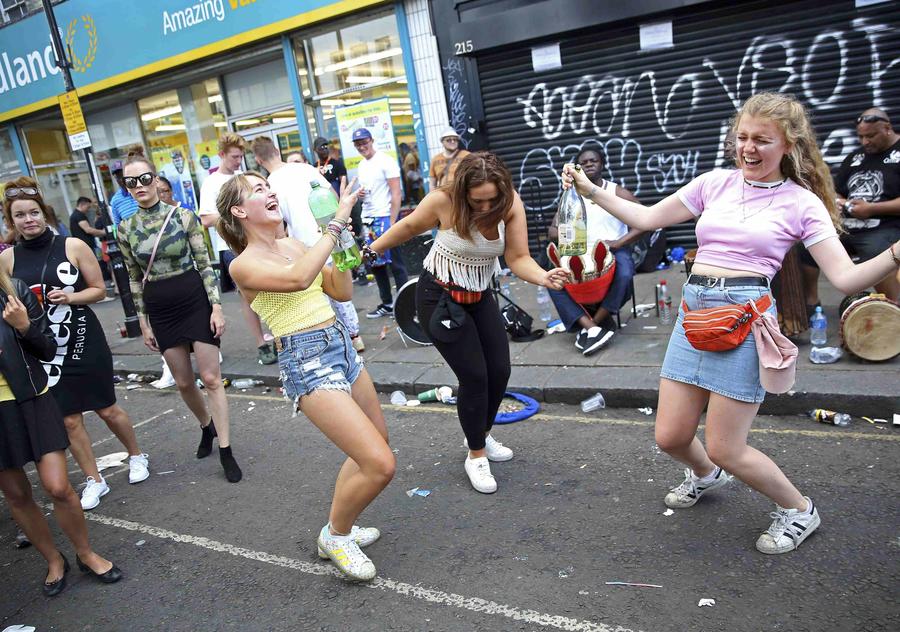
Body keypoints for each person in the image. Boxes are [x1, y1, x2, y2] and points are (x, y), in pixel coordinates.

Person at [562, 92, 900, 554]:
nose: (748, 148)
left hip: (745, 321)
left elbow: (846, 277)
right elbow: (644, 217)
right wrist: (591, 190)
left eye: (762, 139)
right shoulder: (714, 184)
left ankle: (800, 510)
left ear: (790, 145)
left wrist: (896, 252)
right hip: (694, 314)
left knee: (726, 445)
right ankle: (705, 475)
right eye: (742, 137)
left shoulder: (802, 203)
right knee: (671, 436)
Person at [217, 171, 393, 581]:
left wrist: (343, 242)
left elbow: (341, 290)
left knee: (374, 446)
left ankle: (337, 529)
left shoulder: (293, 243)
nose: (270, 191)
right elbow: (297, 280)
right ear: (239, 210)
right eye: (258, 189)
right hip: (306, 358)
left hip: (340, 343)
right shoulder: (243, 265)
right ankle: (337, 534)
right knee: (380, 464)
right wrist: (333, 226)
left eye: (268, 185)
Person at [369, 152, 568, 494]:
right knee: (475, 376)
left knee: (500, 371)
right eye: (478, 200)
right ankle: (475, 454)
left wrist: (544, 277)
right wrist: (371, 250)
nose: (486, 206)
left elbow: (518, 257)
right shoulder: (442, 201)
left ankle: (482, 434)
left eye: (492, 198)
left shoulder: (508, 204)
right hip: (439, 298)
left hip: (478, 294)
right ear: (463, 192)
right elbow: (408, 226)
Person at [1, 178, 149, 510]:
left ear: (45, 214)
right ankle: (95, 479)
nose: (29, 220)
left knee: (107, 408)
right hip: (43, 347)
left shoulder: (72, 246)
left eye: (34, 212)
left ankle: (137, 455)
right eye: (21, 215)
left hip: (83, 337)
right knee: (69, 419)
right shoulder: (7, 260)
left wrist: (70, 296)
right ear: (12, 222)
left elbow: (99, 289)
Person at [116, 153, 242, 483]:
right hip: (159, 308)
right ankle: (206, 426)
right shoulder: (125, 228)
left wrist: (216, 307)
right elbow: (133, 277)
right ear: (126, 187)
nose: (140, 186)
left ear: (155, 179)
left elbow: (205, 265)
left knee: (211, 378)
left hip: (193, 299)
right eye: (131, 182)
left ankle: (227, 450)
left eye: (145, 178)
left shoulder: (184, 217)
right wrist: (142, 321)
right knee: (184, 382)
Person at [0, 263, 122, 596]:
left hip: (32, 398)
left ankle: (85, 553)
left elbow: (49, 348)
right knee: (16, 494)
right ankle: (54, 560)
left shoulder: (15, 290)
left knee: (58, 487)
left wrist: (24, 326)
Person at [251, 136, 365, 353]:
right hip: (331, 235)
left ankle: (332, 341)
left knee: (318, 297)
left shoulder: (270, 184)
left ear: (257, 159)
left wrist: (282, 249)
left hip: (302, 246)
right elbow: (332, 197)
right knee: (341, 290)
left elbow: (277, 225)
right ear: (277, 150)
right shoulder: (305, 169)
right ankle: (354, 336)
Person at [547, 147, 644, 355]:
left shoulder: (616, 192)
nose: (589, 164)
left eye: (594, 160)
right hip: (579, 252)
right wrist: (569, 234)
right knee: (552, 279)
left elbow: (644, 222)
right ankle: (592, 328)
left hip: (612, 251)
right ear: (577, 169)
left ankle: (593, 323)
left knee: (625, 273)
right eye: (584, 162)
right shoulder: (570, 194)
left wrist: (619, 242)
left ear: (602, 164)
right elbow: (553, 230)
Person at [801, 107, 900, 305]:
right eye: (861, 137)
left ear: (887, 128)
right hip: (849, 224)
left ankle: (892, 307)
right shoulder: (855, 157)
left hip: (886, 227)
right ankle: (811, 305)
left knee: (878, 252)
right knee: (805, 247)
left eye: (871, 136)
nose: (865, 142)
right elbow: (837, 191)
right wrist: (839, 203)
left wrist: (871, 209)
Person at [199, 133, 277, 365]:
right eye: (234, 157)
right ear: (221, 155)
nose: (238, 161)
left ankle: (280, 336)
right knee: (248, 297)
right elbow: (205, 219)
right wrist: (234, 214)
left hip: (255, 241)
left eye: (241, 156)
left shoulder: (244, 178)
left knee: (270, 288)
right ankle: (262, 344)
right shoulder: (211, 182)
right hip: (231, 246)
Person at [353, 128, 409, 318]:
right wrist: (359, 195)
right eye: (358, 144)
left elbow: (396, 193)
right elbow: (368, 192)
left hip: (385, 216)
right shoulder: (361, 165)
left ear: (372, 140)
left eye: (364, 142)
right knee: (375, 263)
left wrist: (392, 222)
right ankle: (387, 303)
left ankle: (404, 305)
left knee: (396, 263)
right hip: (369, 218)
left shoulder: (386, 161)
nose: (362, 146)